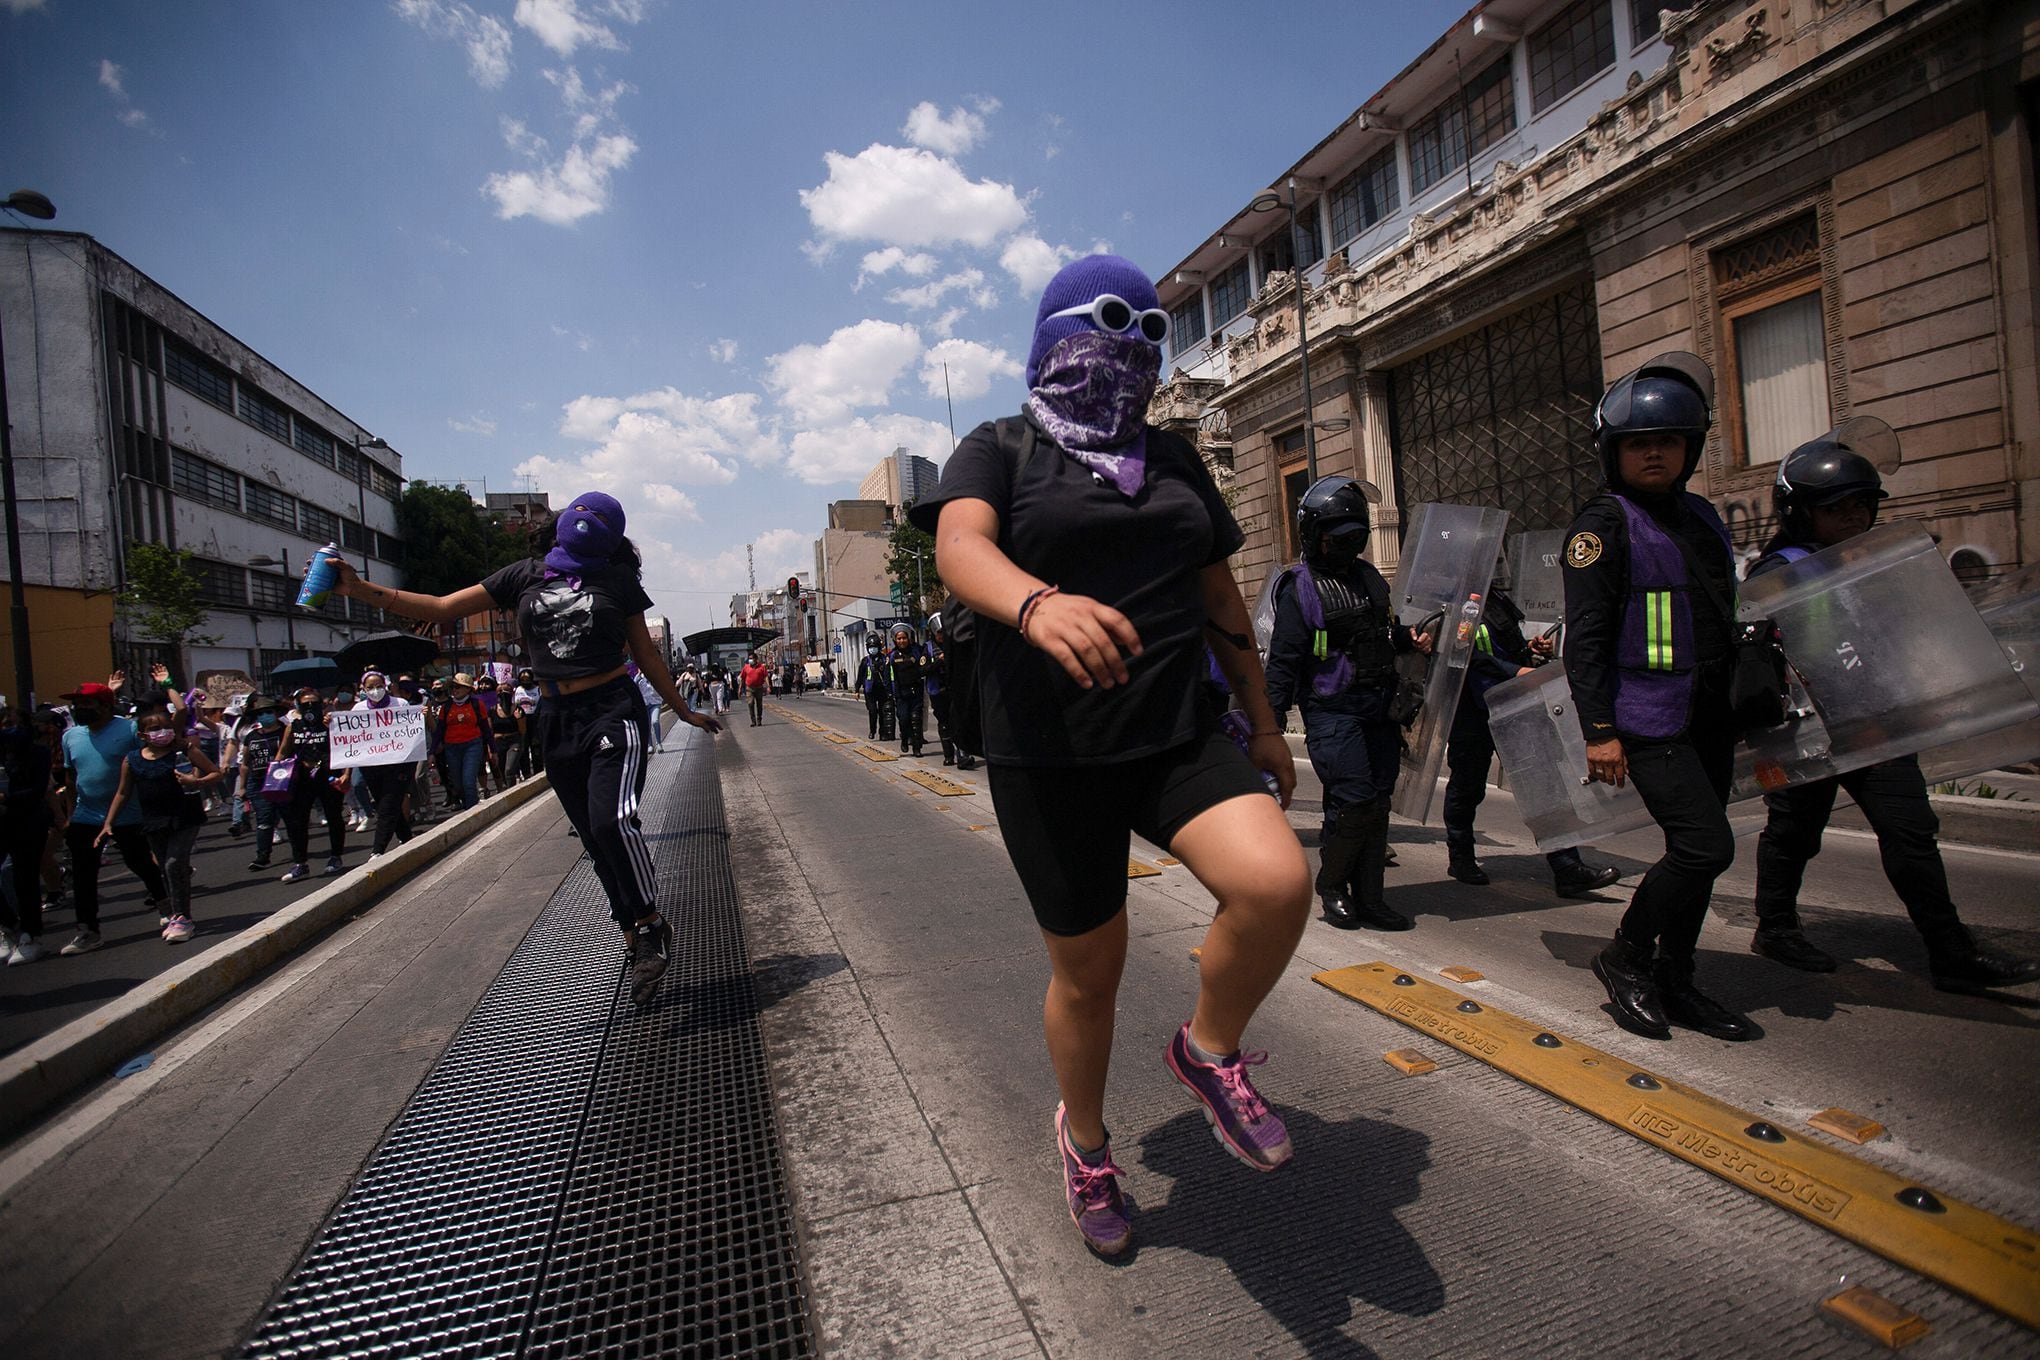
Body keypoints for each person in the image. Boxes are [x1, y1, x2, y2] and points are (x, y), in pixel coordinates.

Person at [915, 254, 1310, 1258]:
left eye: (1150, 329)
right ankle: (1086, 1146)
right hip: (1050, 752)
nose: (1130, 346)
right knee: (1091, 975)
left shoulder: (1174, 457)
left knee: (1274, 884)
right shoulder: (997, 446)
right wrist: (1036, 602)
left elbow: (1223, 599)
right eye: (1108, 323)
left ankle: (1208, 1051)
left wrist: (1262, 719)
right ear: (1051, 336)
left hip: (1177, 729)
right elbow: (961, 548)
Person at [331, 490, 720, 1004]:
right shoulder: (522, 575)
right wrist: (360, 590)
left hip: (610, 709)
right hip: (555, 720)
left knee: (613, 822)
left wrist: (684, 709)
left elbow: (645, 653)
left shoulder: (619, 581)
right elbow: (443, 608)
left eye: (599, 520)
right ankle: (634, 938)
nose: (587, 524)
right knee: (592, 838)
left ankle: (648, 922)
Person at [1745, 429, 2038, 994]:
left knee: (1910, 834)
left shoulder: (1865, 560)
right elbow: (1785, 658)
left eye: (1862, 504)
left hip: (1880, 722)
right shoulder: (1781, 571)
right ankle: (1775, 928)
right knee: (1794, 832)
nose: (1853, 516)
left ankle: (1951, 952)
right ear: (1803, 512)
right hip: (1814, 730)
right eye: (1836, 507)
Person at [1564, 353, 1755, 1043]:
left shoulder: (1702, 516)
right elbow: (1583, 644)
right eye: (1639, 443)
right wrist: (1599, 730)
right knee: (1705, 848)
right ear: (1615, 452)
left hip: (1709, 710)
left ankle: (1677, 976)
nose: (1654, 453)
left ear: (1689, 448)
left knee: (1695, 853)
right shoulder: (1601, 529)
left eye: (1668, 441)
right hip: (1647, 718)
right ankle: (1625, 957)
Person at [1264, 477, 1432, 931]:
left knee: (1377, 803)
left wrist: (1407, 638)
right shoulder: (1298, 587)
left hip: (1380, 707)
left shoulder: (1369, 578)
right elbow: (1284, 660)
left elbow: (1383, 631)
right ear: (1314, 535)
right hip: (1332, 710)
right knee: (1353, 800)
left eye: (1356, 535)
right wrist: (1269, 726)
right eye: (1337, 535)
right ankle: (1334, 888)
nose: (1347, 544)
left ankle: (1371, 898)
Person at [1442, 581, 1623, 897]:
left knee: (1546, 784)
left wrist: (1529, 649)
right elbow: (1466, 655)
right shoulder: (1458, 602)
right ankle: (1461, 855)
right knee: (1467, 786)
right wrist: (1516, 671)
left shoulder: (1494, 597)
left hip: (1515, 702)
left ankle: (1567, 866)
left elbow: (1503, 645)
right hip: (1473, 708)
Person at [54, 680, 168, 954]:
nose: (81, 709)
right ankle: (88, 930)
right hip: (86, 814)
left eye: (87, 704)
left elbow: (150, 756)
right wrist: (70, 814)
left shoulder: (128, 728)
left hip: (127, 813)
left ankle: (167, 905)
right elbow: (71, 778)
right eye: (77, 705)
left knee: (139, 862)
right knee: (83, 874)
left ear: (105, 706)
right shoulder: (71, 736)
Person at [97, 701, 220, 943]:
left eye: (166, 727)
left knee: (174, 864)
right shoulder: (132, 760)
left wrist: (195, 782)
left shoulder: (183, 750)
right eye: (154, 728)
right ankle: (176, 911)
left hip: (185, 817)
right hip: (154, 821)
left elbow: (215, 772)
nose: (161, 732)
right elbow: (122, 793)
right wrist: (108, 822)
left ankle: (183, 918)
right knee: (167, 868)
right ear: (143, 734)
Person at [1, 704, 58, 964]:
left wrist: (5, 798)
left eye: (12, 725)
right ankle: (10, 926)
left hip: (26, 821)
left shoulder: (37, 753)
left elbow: (37, 792)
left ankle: (30, 935)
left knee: (22, 877)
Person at [276, 686, 349, 882]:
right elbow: (283, 751)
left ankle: (336, 856)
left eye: (314, 704)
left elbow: (345, 748)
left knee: (334, 816)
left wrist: (346, 774)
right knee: (297, 821)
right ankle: (300, 863)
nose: (310, 707)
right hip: (303, 777)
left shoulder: (330, 724)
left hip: (328, 775)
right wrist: (275, 774)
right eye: (305, 704)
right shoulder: (294, 726)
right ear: (298, 706)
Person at [354, 670, 417, 855]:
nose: (375, 691)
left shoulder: (400, 704)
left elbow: (410, 731)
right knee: (387, 804)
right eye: (370, 687)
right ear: (363, 689)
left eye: (379, 686)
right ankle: (406, 839)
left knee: (387, 807)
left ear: (386, 686)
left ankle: (377, 851)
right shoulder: (358, 710)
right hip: (371, 767)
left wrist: (418, 715)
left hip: (398, 765)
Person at [236, 695, 287, 869]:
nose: (265, 716)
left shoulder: (285, 731)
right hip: (258, 782)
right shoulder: (251, 737)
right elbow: (244, 763)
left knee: (290, 817)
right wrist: (242, 787)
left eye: (268, 712)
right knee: (264, 819)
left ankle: (298, 852)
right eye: (261, 713)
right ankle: (263, 856)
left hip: (283, 782)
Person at [434, 673, 491, 810]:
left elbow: (486, 729)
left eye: (458, 687)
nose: (455, 689)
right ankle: (468, 805)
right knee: (458, 784)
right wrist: (432, 751)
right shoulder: (446, 708)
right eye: (453, 687)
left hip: (472, 745)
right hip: (452, 748)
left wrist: (492, 749)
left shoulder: (478, 705)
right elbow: (440, 730)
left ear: (468, 689)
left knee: (468, 781)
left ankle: (471, 812)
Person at [884, 623, 929, 757]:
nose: (902, 641)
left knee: (916, 720)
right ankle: (904, 739)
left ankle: (916, 748)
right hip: (901, 694)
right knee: (903, 719)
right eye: (899, 639)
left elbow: (925, 660)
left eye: (904, 638)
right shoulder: (891, 656)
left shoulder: (916, 651)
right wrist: (889, 693)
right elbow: (887, 676)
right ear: (895, 640)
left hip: (916, 692)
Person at [855, 638, 890, 741]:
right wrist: (857, 690)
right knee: (873, 711)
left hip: (882, 690)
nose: (872, 649)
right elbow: (860, 676)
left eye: (874, 647)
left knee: (883, 712)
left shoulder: (884, 659)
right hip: (870, 691)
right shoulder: (865, 661)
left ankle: (883, 732)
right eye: (870, 647)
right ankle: (872, 730)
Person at [630, 661, 665, 754]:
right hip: (644, 704)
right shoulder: (638, 678)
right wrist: (639, 674)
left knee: (655, 721)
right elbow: (633, 686)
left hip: (655, 702)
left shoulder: (653, 675)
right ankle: (650, 745)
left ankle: (659, 744)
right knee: (647, 725)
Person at [740, 654, 770, 728]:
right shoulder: (746, 667)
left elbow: (765, 676)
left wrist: (768, 686)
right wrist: (740, 688)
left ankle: (759, 719)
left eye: (751, 658)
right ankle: (753, 721)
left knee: (759, 704)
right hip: (749, 688)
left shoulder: (761, 667)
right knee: (750, 703)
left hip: (759, 688)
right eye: (749, 658)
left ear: (756, 659)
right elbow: (742, 678)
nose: (750, 660)